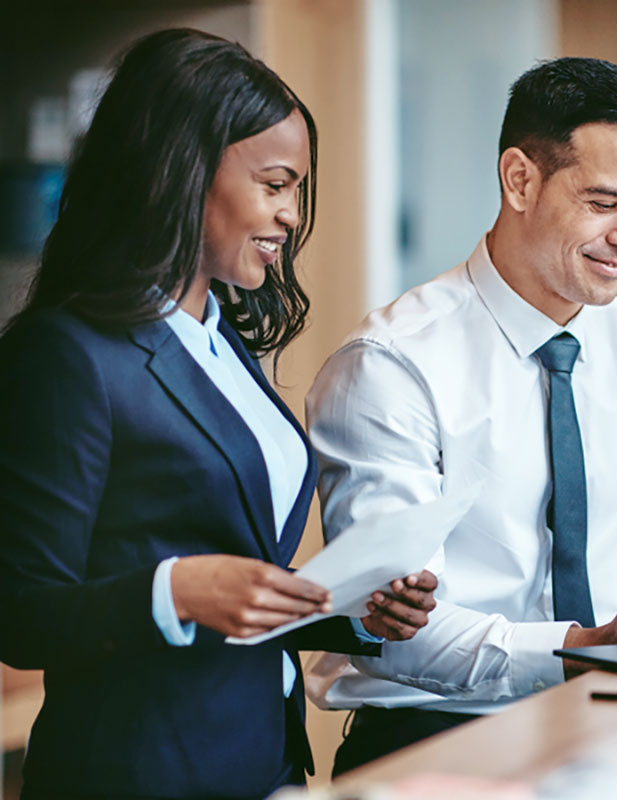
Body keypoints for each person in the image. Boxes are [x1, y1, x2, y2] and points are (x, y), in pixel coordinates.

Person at [0, 29, 436, 799]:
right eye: (274, 184)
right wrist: (176, 590)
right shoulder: (67, 354)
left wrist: (354, 612)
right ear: (183, 172)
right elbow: (22, 613)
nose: (291, 215)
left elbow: (235, 579)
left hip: (265, 760)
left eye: (298, 189)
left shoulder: (220, 341)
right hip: (138, 776)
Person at [305, 56, 617, 775]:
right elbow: (399, 632)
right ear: (520, 179)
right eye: (606, 203)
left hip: (613, 731)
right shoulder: (392, 365)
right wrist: (591, 642)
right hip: (434, 747)